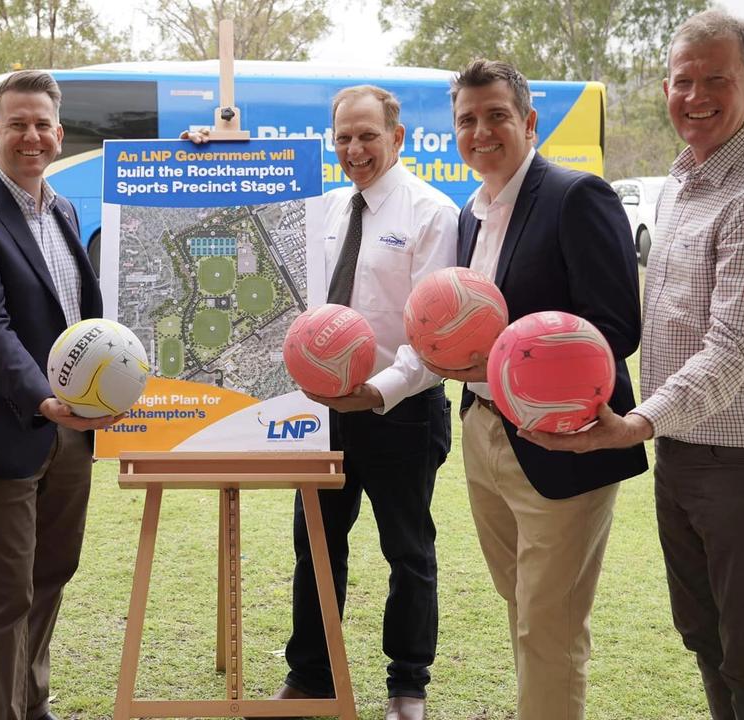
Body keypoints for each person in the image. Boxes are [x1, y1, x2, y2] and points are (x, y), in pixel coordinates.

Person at [523, 10, 744, 719]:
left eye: (715, 80)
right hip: (688, 445)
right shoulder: (686, 180)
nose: (695, 96)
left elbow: (732, 350)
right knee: (706, 635)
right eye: (682, 81)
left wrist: (633, 423)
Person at [189, 85, 456, 720]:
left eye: (367, 135)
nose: (354, 149)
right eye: (343, 137)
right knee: (315, 543)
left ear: (397, 137)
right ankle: (310, 675)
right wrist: (209, 153)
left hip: (402, 410)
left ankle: (407, 687)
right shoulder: (329, 207)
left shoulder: (431, 213)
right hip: (323, 413)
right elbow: (249, 206)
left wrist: (380, 391)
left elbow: (435, 333)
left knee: (408, 550)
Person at [424, 59, 646, 720]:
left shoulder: (577, 196)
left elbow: (616, 327)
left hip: (564, 442)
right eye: (467, 119)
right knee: (521, 606)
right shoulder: (471, 215)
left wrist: (513, 362)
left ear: (528, 121)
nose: (481, 131)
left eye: (496, 115)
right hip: (482, 433)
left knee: (547, 627)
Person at [0, 70, 115, 720]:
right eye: (17, 124)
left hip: (71, 431)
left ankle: (32, 703)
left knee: (53, 574)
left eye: (42, 124)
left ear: (59, 134)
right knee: (10, 592)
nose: (31, 136)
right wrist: (44, 400)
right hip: (9, 427)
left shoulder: (63, 209)